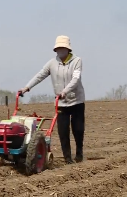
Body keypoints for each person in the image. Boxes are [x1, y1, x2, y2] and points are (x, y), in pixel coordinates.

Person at [19, 35, 85, 164]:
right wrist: (27, 87)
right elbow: (40, 75)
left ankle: (79, 153)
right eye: (58, 48)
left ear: (68, 49)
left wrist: (65, 91)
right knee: (63, 131)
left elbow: (76, 79)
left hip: (76, 101)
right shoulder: (52, 63)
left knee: (78, 129)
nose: (60, 50)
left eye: (63, 48)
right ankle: (67, 158)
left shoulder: (77, 61)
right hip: (60, 102)